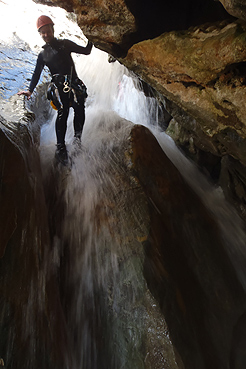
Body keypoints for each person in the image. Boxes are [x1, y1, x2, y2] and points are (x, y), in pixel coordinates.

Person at [18, 15, 93, 165]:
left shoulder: (65, 44)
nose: (46, 35)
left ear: (53, 29)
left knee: (79, 109)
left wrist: (93, 37)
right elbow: (36, 73)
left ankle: (77, 141)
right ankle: (60, 148)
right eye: (43, 33)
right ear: (40, 34)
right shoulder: (43, 55)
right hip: (59, 87)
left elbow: (86, 51)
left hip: (73, 82)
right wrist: (30, 90)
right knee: (63, 111)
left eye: (48, 31)